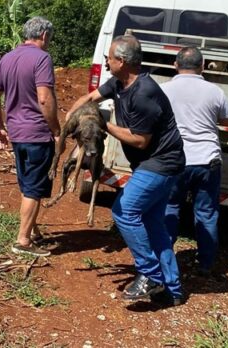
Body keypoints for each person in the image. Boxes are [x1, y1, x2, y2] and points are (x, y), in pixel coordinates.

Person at [68, 35, 185, 305]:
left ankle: (150, 274)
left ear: (122, 61)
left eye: (109, 58)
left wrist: (103, 124)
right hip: (155, 164)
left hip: (161, 164)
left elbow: (139, 140)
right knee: (155, 225)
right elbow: (90, 98)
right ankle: (173, 291)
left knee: (124, 209)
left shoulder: (145, 93)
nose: (106, 62)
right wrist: (70, 118)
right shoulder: (119, 83)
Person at [0, 16, 61, 257]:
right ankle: (23, 241)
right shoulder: (42, 58)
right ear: (43, 36)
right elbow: (44, 98)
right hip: (37, 134)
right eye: (49, 38)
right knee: (33, 187)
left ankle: (32, 230)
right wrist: (56, 130)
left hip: (16, 133)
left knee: (28, 183)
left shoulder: (7, 58)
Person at [162, 47, 228, 277]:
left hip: (176, 160)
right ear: (202, 66)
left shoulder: (164, 90)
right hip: (207, 161)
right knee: (206, 212)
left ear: (175, 65)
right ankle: (205, 263)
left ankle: (165, 258)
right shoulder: (215, 91)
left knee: (170, 207)